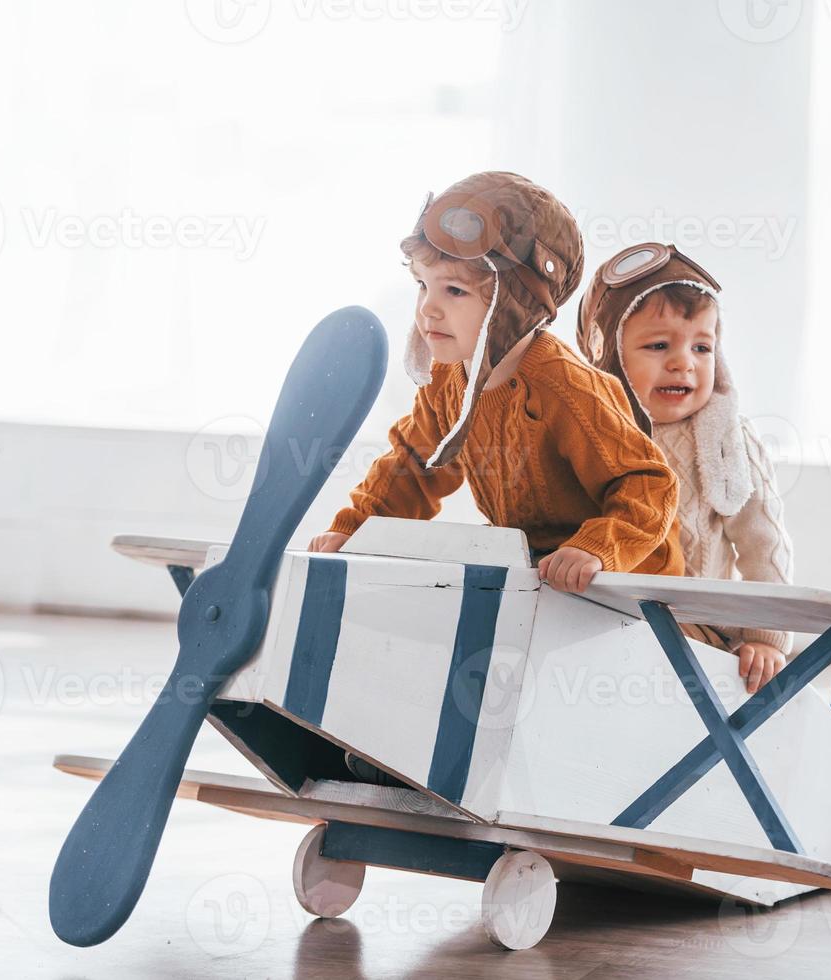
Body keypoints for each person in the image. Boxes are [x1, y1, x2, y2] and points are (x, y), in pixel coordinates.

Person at [309, 173, 684, 594]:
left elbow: (648, 483)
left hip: (627, 583)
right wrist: (355, 530)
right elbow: (412, 466)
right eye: (422, 284)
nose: (428, 309)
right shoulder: (445, 379)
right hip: (539, 574)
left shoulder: (564, 385)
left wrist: (596, 549)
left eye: (454, 290)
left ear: (514, 304)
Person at [577, 242, 794, 694]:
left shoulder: (725, 438)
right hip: (594, 627)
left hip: (701, 633)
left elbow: (763, 544)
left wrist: (763, 637)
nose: (683, 362)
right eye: (658, 345)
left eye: (703, 347)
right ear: (607, 355)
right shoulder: (589, 433)